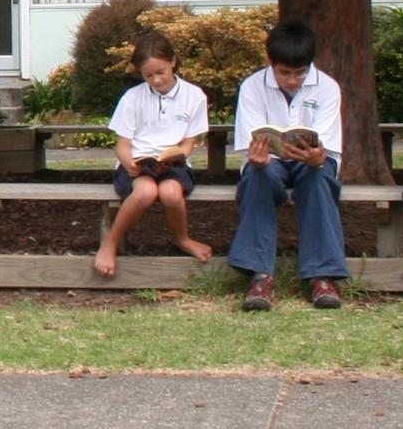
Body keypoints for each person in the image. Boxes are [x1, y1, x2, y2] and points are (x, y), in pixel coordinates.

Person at [229, 17, 348, 310]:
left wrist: (317, 158)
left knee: (318, 178)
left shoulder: (328, 87)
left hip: (313, 161)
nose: (292, 80)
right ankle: (260, 275)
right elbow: (251, 141)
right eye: (284, 73)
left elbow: (328, 147)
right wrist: (258, 158)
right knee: (260, 176)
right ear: (271, 65)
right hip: (269, 161)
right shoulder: (253, 86)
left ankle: (322, 275)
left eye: (300, 73)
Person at [93, 30, 213, 278]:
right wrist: (130, 165)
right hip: (137, 163)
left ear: (173, 62)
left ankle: (183, 239)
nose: (156, 80)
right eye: (148, 75)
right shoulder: (133, 97)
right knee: (146, 191)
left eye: (161, 72)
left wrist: (176, 156)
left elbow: (189, 143)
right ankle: (110, 243)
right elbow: (123, 144)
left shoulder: (194, 96)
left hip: (173, 163)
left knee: (170, 192)